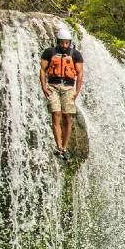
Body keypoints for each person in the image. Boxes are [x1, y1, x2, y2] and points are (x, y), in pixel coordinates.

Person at [40, 28, 84, 161]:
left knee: (67, 117)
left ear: (70, 43)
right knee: (55, 115)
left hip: (68, 87)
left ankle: (65, 147)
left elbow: (80, 73)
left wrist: (77, 91)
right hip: (53, 86)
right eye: (62, 43)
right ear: (58, 42)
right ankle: (59, 146)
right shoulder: (49, 52)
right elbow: (42, 70)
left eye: (67, 43)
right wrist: (44, 87)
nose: (64, 45)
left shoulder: (75, 54)